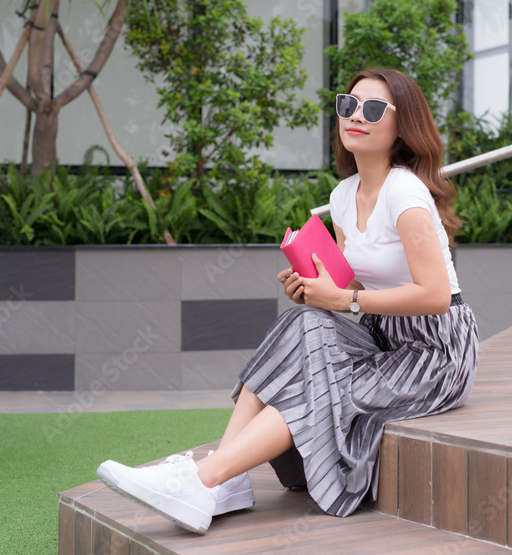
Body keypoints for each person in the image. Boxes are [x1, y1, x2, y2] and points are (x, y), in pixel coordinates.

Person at [97, 68, 480, 534]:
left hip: (435, 350)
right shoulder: (343, 196)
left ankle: (209, 477)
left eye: (374, 109)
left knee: (318, 386)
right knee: (304, 319)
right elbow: (358, 289)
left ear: (403, 127)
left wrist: (344, 300)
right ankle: (224, 480)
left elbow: (437, 296)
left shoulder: (405, 192)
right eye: (349, 105)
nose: (356, 116)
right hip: (382, 332)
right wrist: (317, 287)